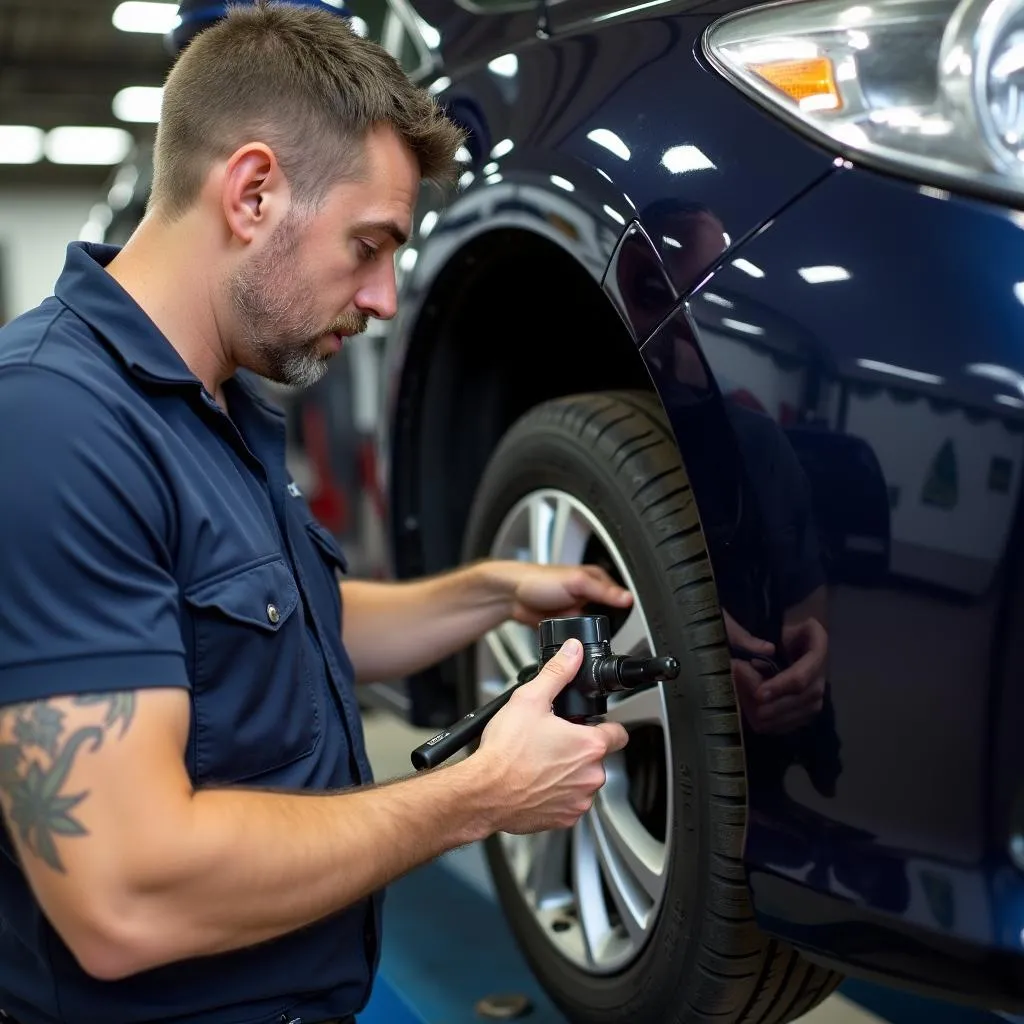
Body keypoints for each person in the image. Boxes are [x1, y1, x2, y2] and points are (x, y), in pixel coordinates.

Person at [0, 5, 631, 1023]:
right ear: (252, 193)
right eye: (368, 245)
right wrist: (474, 794)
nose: (385, 297)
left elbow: (284, 623)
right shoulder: (50, 427)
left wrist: (493, 591)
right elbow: (122, 896)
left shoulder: (221, 399)